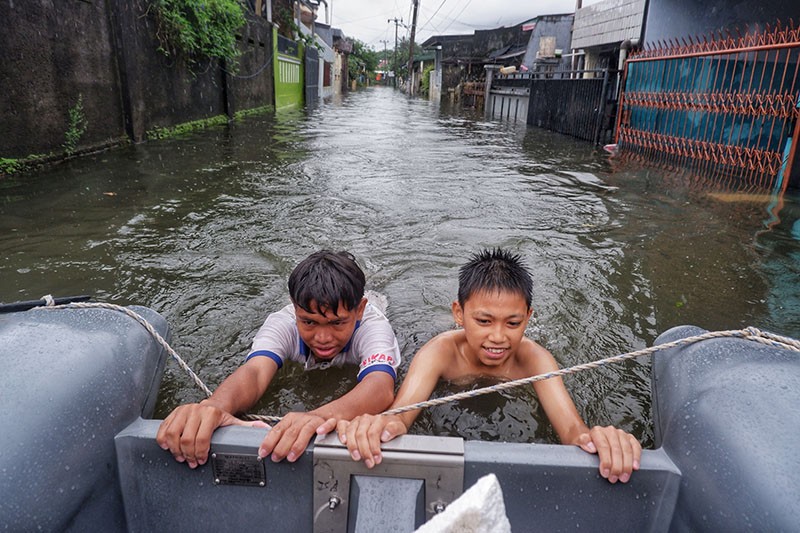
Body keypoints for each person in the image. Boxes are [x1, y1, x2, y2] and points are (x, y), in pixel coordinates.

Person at [324, 248, 642, 484]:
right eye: (484, 321)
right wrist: (379, 425)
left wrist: (599, 441)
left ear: (528, 318)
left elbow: (572, 430)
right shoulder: (440, 352)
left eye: (513, 323)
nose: (499, 337)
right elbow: (401, 414)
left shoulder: (535, 359)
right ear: (459, 314)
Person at [157, 250, 401, 468]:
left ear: (359, 310)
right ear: (295, 309)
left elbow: (380, 387)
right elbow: (255, 372)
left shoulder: (373, 326)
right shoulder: (282, 323)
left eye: (337, 323)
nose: (323, 338)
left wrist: (317, 417)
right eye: (309, 322)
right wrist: (214, 407)